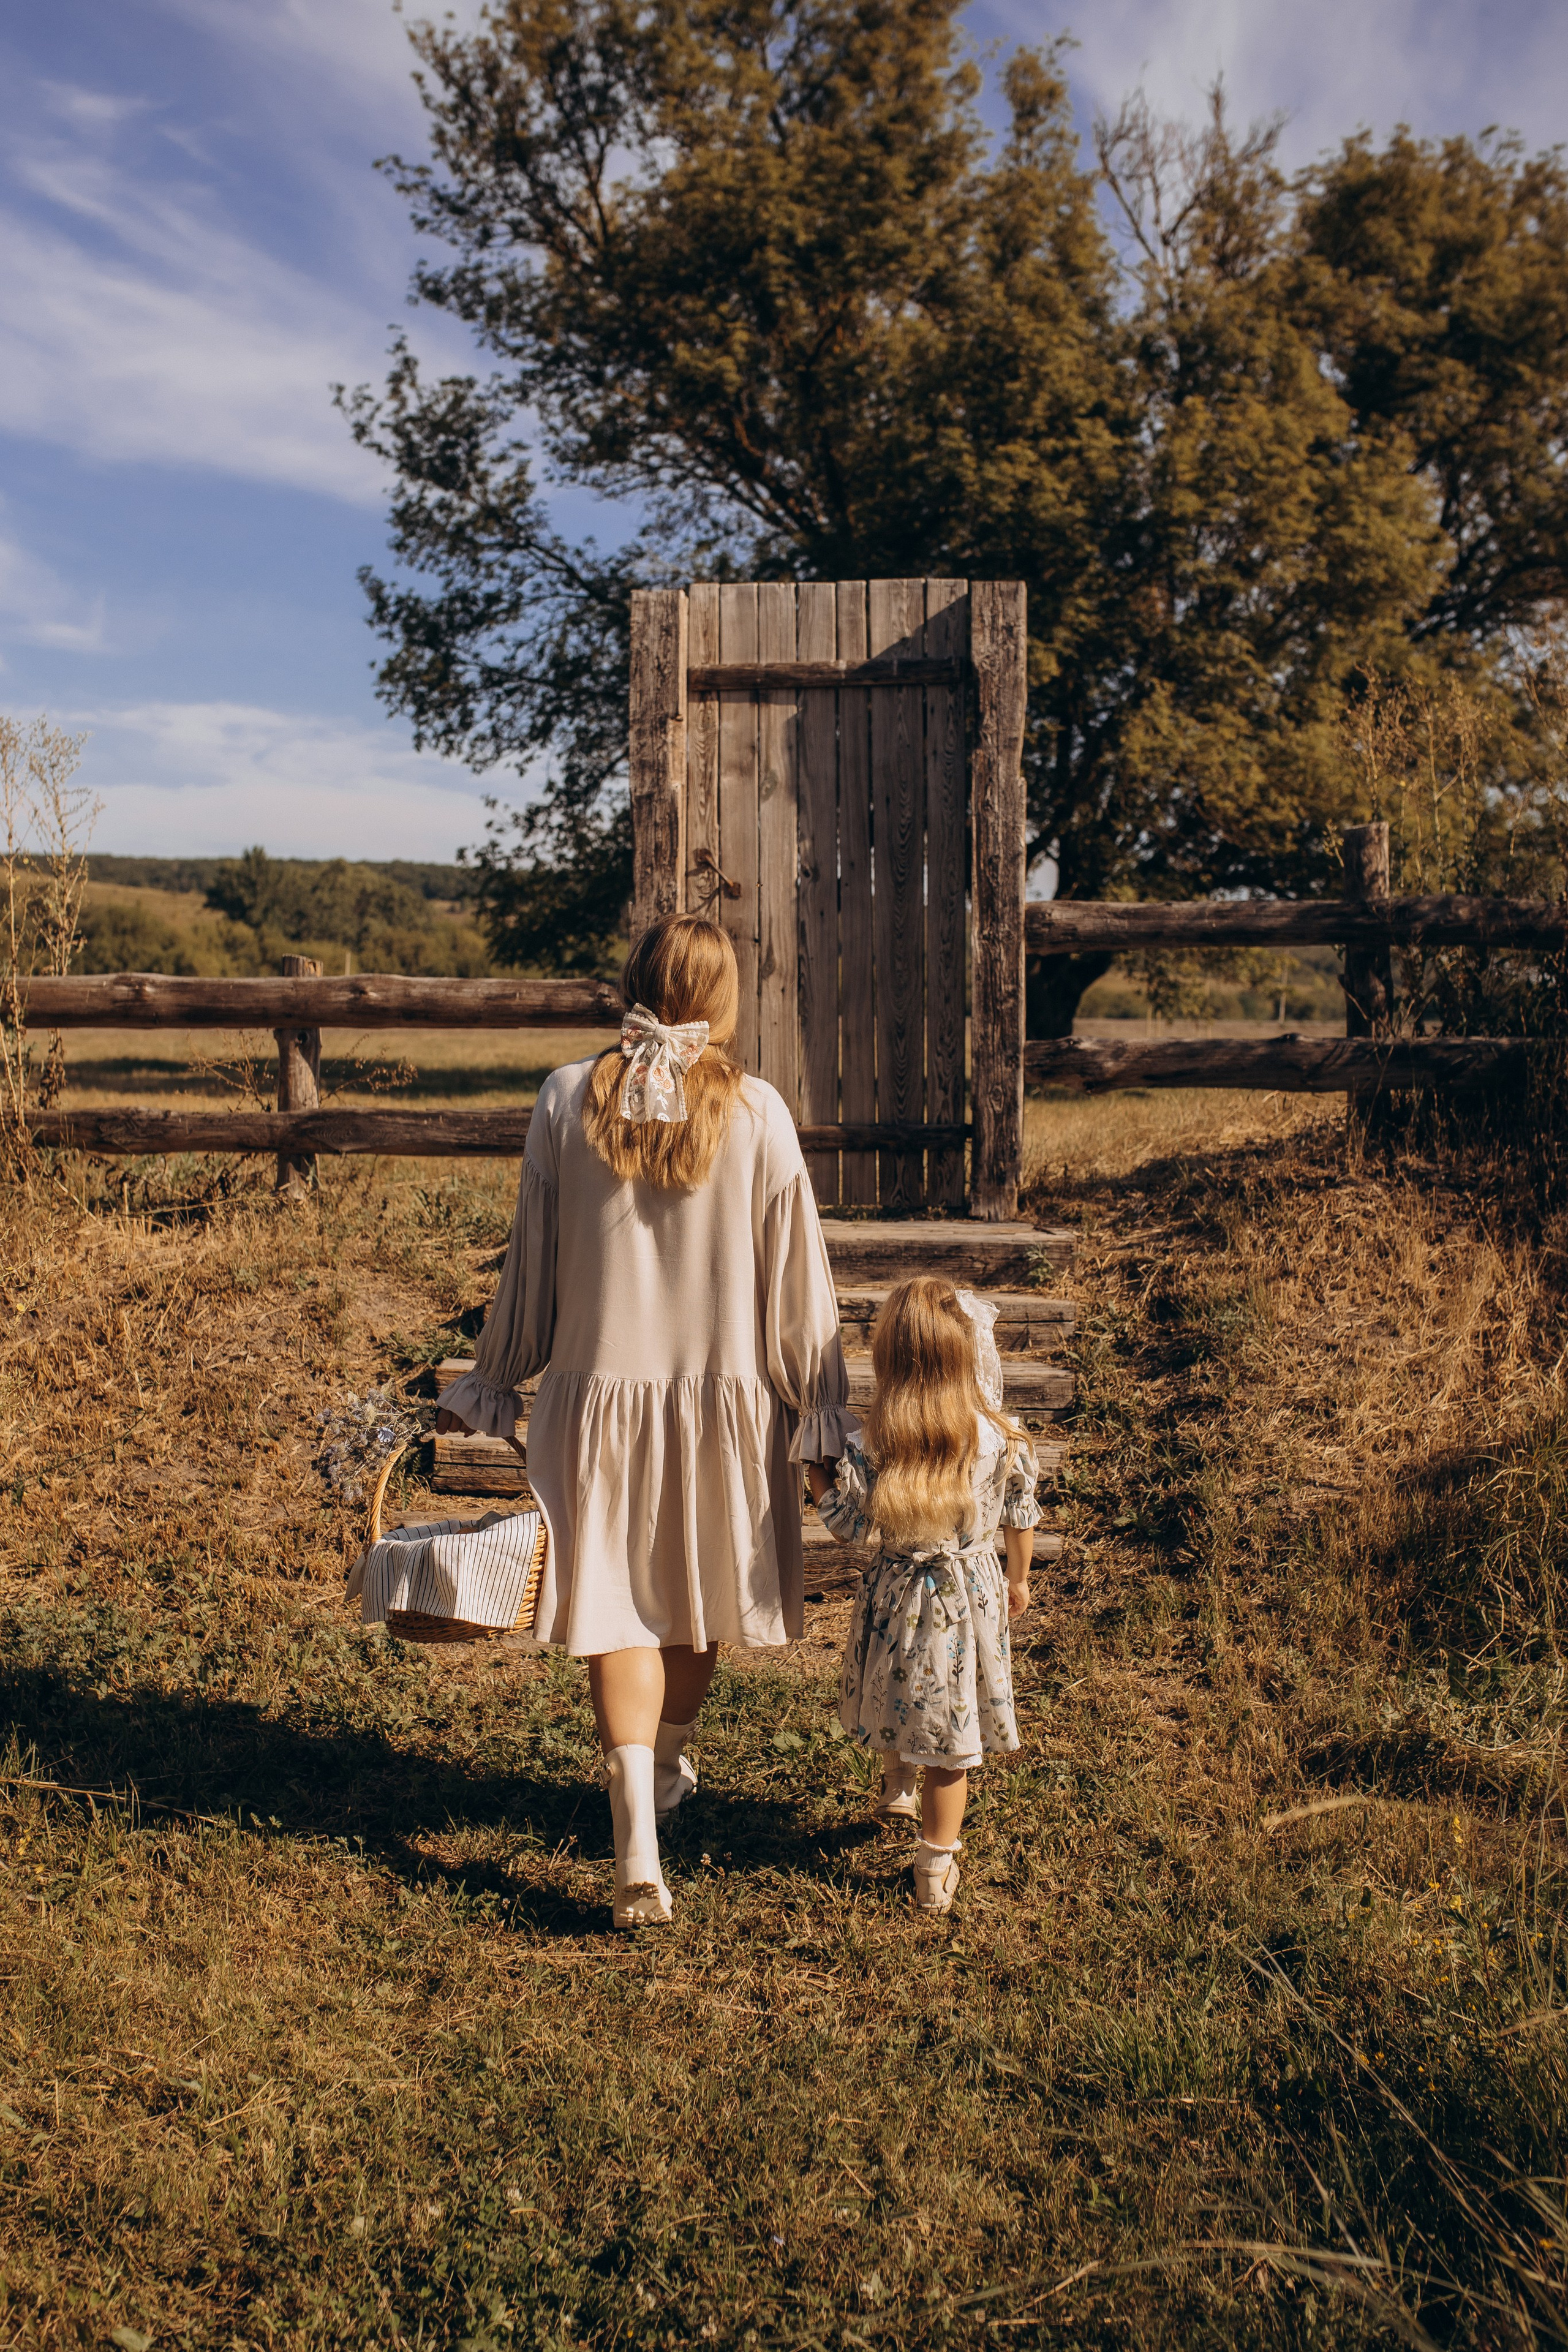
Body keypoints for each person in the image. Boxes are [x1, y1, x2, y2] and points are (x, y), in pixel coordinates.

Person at [435, 915, 851, 1929]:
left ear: (634, 983)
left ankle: (639, 1837)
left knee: (614, 1611)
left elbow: (529, 1258)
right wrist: (818, 1400)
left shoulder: (565, 1096)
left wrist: (501, 1372)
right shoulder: (759, 1114)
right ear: (725, 1000)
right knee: (697, 1608)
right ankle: (661, 1774)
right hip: (724, 1404)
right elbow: (798, 1286)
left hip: (593, 1400)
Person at [806, 1277, 1040, 1915]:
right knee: (950, 1736)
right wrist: (1018, 1578)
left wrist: (816, 1471)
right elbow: (1021, 1512)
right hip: (969, 1596)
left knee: (896, 1685)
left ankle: (893, 1783)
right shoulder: (999, 1436)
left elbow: (848, 1526)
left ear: (891, 1360)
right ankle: (934, 1864)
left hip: (896, 1592)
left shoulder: (876, 1445)